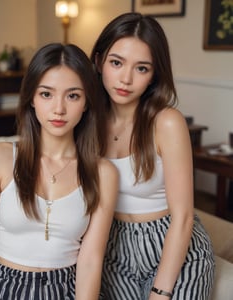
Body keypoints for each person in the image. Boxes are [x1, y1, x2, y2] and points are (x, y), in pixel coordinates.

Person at [0, 43, 118, 300]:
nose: (59, 109)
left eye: (73, 95)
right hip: (3, 287)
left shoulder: (103, 173)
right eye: (46, 94)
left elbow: (90, 259)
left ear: (87, 102)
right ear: (31, 98)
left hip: (66, 288)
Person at [90, 12, 215, 300]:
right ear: (99, 62)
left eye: (142, 68)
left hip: (173, 247)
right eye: (116, 62)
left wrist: (160, 291)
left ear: (154, 75)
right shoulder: (87, 121)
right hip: (113, 248)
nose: (126, 78)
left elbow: (183, 216)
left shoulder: (166, 122)